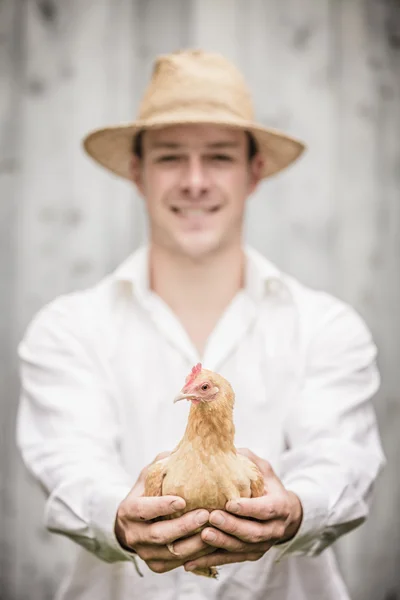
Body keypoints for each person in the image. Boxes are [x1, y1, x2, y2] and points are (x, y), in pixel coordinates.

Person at [16, 49, 385, 600]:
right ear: (137, 172)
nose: (194, 181)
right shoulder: (68, 329)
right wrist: (120, 517)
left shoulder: (327, 327)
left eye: (217, 157)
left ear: (253, 172)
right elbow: (71, 462)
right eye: (169, 158)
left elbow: (342, 457)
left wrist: (298, 506)